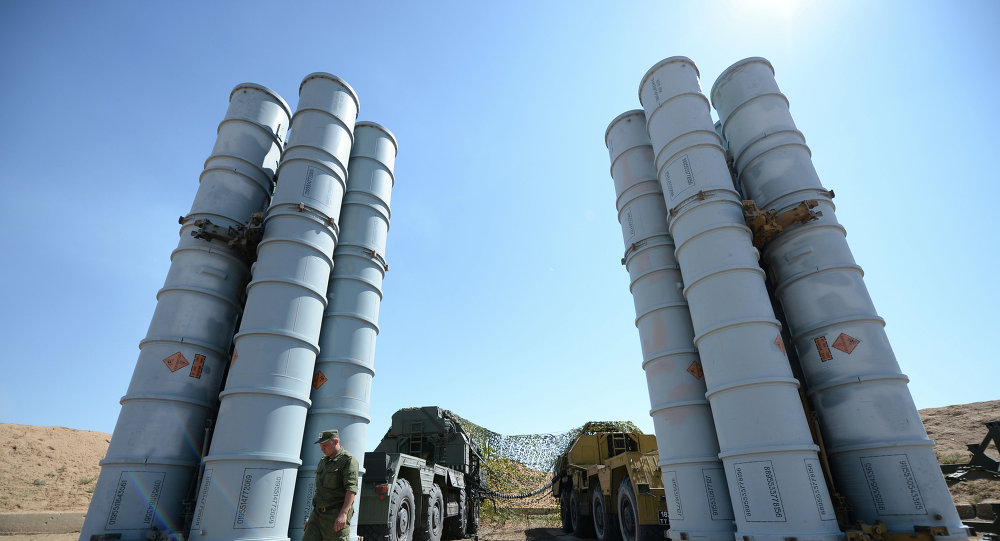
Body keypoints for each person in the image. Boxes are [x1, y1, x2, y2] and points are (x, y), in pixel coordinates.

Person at [303, 429, 359, 541]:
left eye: (325, 445)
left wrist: (343, 514)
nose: (322, 449)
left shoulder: (348, 460)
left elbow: (351, 489)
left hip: (336, 515)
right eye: (321, 446)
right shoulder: (323, 461)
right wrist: (313, 517)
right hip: (317, 515)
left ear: (336, 441)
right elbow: (320, 490)